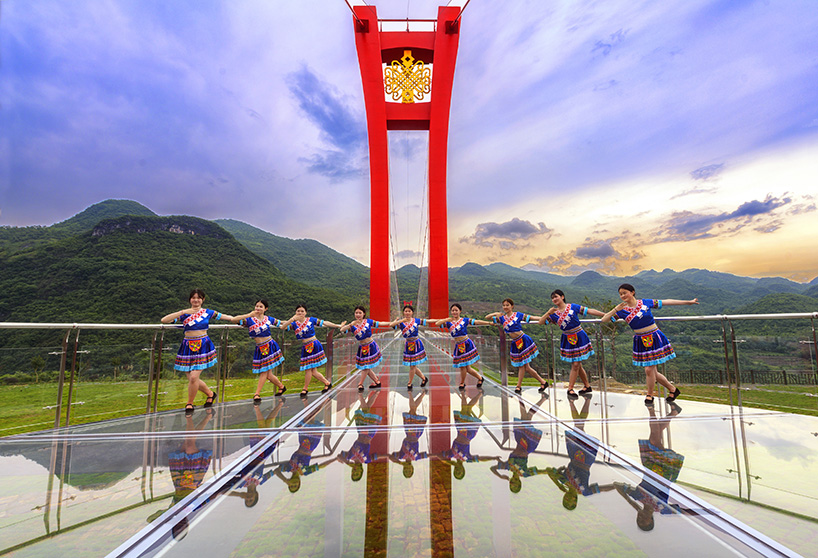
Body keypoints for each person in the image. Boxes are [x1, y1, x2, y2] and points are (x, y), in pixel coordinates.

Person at [601, 284, 698, 405]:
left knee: (648, 370)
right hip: (641, 340)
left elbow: (667, 302)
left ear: (632, 292)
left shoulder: (645, 303)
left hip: (654, 337)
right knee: (653, 372)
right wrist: (616, 309)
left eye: (625, 292)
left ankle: (650, 395)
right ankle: (673, 389)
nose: (622, 296)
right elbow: (604, 320)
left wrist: (688, 302)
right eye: (620, 294)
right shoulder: (622, 311)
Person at [614, 401, 686, 530]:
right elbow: (689, 512)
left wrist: (634, 505)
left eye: (639, 519)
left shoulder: (637, 496)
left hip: (651, 466)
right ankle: (651, 409)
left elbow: (617, 486)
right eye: (644, 520)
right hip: (664, 470)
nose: (641, 517)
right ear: (651, 519)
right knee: (654, 438)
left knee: (655, 436)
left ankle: (673, 412)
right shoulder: (662, 509)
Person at [161, 289, 234, 413]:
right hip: (187, 346)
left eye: (199, 297)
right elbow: (164, 320)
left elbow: (229, 318)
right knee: (191, 378)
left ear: (203, 300)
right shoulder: (184, 314)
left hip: (203, 345)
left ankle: (190, 403)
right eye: (193, 297)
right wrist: (183, 311)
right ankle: (210, 394)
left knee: (194, 377)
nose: (196, 300)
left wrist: (248, 318)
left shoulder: (208, 312)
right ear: (190, 299)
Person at [538, 290, 606, 398]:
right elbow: (541, 322)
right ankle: (587, 386)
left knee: (576, 364)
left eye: (556, 296)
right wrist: (548, 312)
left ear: (562, 296)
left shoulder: (572, 307)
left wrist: (606, 315)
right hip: (567, 338)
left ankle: (570, 389)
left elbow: (589, 311)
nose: (554, 299)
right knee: (577, 364)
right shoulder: (553, 314)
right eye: (552, 298)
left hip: (579, 335)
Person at [279, 304, 346, 398]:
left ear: (305, 312)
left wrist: (337, 325)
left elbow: (324, 323)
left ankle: (305, 389)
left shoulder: (311, 320)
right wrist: (291, 319)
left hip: (314, 345)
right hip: (305, 347)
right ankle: (327, 383)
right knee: (313, 371)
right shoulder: (294, 324)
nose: (300, 313)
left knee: (308, 369)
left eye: (302, 311)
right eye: (298, 311)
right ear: (295, 312)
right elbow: (283, 327)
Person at [485, 298, 548, 394]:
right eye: (504, 305)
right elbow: (487, 317)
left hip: (523, 340)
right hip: (516, 343)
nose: (505, 307)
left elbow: (532, 318)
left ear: (512, 306)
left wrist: (544, 318)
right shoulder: (502, 318)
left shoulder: (517, 315)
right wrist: (496, 313)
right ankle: (543, 382)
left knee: (523, 366)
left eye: (507, 305)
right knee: (526, 367)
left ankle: (519, 386)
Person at [491, 394, 550, 492]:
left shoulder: (508, 467)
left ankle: (540, 398)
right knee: (527, 416)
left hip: (520, 439)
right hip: (528, 443)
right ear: (519, 482)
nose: (513, 482)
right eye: (516, 484)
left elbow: (493, 468)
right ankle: (524, 397)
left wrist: (501, 476)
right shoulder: (524, 473)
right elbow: (540, 471)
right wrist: (549, 472)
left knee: (526, 415)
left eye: (512, 484)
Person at [231, 299, 286, 402]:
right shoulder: (249, 319)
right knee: (269, 375)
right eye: (257, 306)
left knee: (264, 371)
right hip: (260, 348)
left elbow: (281, 323)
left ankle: (257, 394)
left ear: (266, 309)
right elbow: (234, 320)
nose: (258, 308)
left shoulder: (268, 319)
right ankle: (281, 387)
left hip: (270, 346)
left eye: (261, 306)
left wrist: (294, 321)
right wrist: (249, 314)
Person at [433, 303, 492, 389]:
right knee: (467, 368)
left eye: (456, 310)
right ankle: (480, 378)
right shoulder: (449, 323)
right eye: (453, 310)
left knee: (463, 366)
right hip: (458, 345)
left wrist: (489, 323)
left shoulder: (464, 320)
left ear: (460, 311)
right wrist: (447, 319)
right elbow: (437, 324)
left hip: (466, 344)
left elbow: (476, 322)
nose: (454, 312)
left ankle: (462, 383)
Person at [338, 306, 383, 391]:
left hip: (370, 345)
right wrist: (351, 324)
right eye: (356, 313)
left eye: (360, 313)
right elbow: (342, 330)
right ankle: (377, 382)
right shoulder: (353, 325)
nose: (358, 315)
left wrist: (392, 324)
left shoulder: (368, 321)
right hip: (362, 347)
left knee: (365, 366)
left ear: (364, 314)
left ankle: (360, 384)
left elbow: (380, 324)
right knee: (366, 366)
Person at [386, 304, 429, 389]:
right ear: (403, 312)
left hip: (416, 343)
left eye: (409, 311)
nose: (407, 313)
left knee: (412, 365)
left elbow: (427, 321)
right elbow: (391, 325)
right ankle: (424, 378)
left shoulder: (416, 320)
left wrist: (442, 320)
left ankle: (409, 383)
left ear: (412, 312)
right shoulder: (401, 322)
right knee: (413, 365)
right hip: (408, 344)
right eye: (406, 311)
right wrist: (398, 321)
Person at [388, 389, 429, 478]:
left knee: (412, 410)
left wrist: (400, 463)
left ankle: (422, 394)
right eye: (409, 470)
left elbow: (390, 456)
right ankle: (412, 393)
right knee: (412, 410)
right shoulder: (416, 457)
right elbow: (429, 455)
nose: (407, 469)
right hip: (417, 433)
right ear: (412, 468)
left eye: (405, 470)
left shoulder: (401, 456)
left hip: (408, 432)